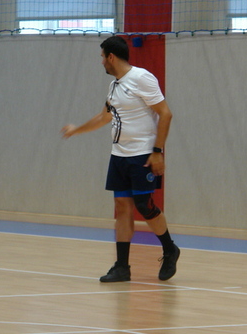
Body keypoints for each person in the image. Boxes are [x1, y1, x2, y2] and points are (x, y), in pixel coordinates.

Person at [61, 35, 179, 282]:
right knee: (122, 207)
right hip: (119, 156)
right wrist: (77, 130)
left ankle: (170, 249)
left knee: (144, 206)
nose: (101, 62)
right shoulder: (114, 86)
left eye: (102, 57)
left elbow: (165, 114)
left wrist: (157, 151)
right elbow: (105, 117)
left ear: (111, 57)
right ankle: (122, 267)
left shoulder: (142, 78)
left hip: (143, 154)